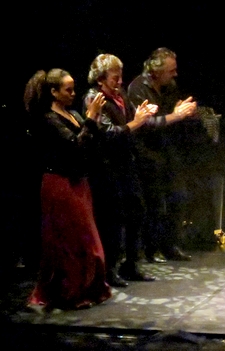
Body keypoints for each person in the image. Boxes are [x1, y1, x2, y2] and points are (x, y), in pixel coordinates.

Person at [84, 54, 198, 286]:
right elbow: (109, 134)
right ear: (100, 79)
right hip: (108, 167)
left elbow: (140, 119)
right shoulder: (94, 99)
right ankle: (109, 269)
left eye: (120, 77)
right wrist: (137, 121)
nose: (119, 81)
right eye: (114, 78)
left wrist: (144, 114)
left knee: (137, 212)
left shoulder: (120, 95)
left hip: (127, 163)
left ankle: (131, 265)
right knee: (114, 220)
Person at [23, 68, 112, 310]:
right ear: (53, 92)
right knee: (69, 242)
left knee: (86, 240)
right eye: (67, 89)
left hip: (78, 182)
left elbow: (91, 143)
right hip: (59, 183)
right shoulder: (48, 119)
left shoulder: (73, 114)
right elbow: (74, 146)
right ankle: (68, 293)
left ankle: (88, 288)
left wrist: (95, 120)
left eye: (74, 88)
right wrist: (91, 119)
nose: (73, 93)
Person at [127, 47, 198, 262]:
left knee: (178, 196)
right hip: (147, 151)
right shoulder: (138, 88)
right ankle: (151, 249)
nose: (175, 74)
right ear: (156, 71)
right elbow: (145, 124)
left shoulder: (169, 86)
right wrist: (176, 115)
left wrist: (183, 111)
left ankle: (171, 245)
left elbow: (171, 115)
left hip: (167, 148)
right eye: (171, 70)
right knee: (155, 203)